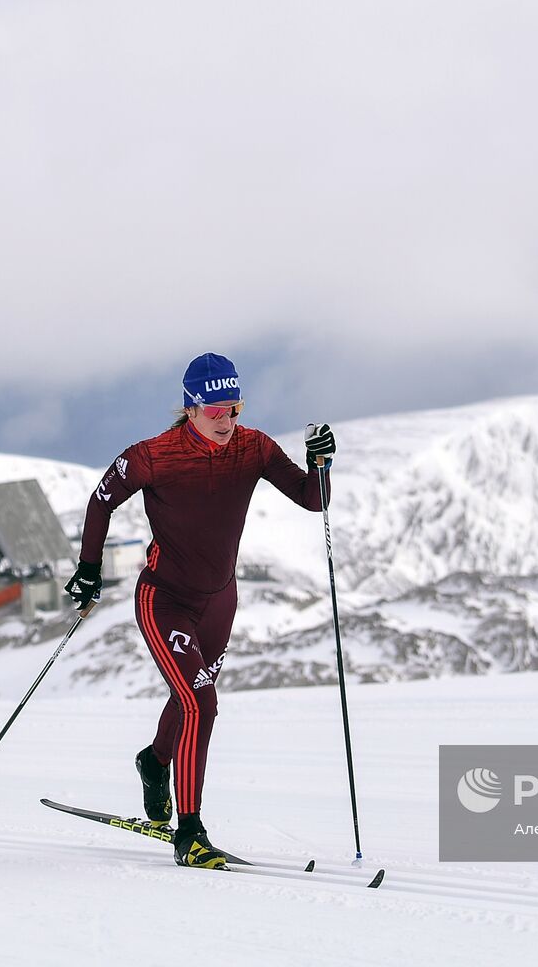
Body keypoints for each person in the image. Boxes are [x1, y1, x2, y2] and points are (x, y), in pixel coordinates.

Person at [63, 352, 336, 869]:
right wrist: (89, 567)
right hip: (164, 600)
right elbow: (101, 501)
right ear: (190, 409)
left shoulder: (254, 447)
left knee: (190, 696)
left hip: (220, 602)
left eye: (234, 407)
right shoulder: (153, 456)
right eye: (216, 410)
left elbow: (311, 498)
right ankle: (189, 832)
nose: (227, 420)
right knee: (200, 704)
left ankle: (154, 760)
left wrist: (322, 463)